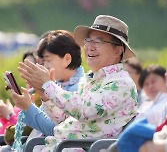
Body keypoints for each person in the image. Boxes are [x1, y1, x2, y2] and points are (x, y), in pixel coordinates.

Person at [11, 15, 138, 151]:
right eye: (88, 40)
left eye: (98, 42)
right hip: (61, 146)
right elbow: (63, 119)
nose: (89, 47)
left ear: (118, 50)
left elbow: (83, 110)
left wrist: (48, 84)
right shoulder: (90, 79)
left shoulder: (121, 84)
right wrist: (44, 94)